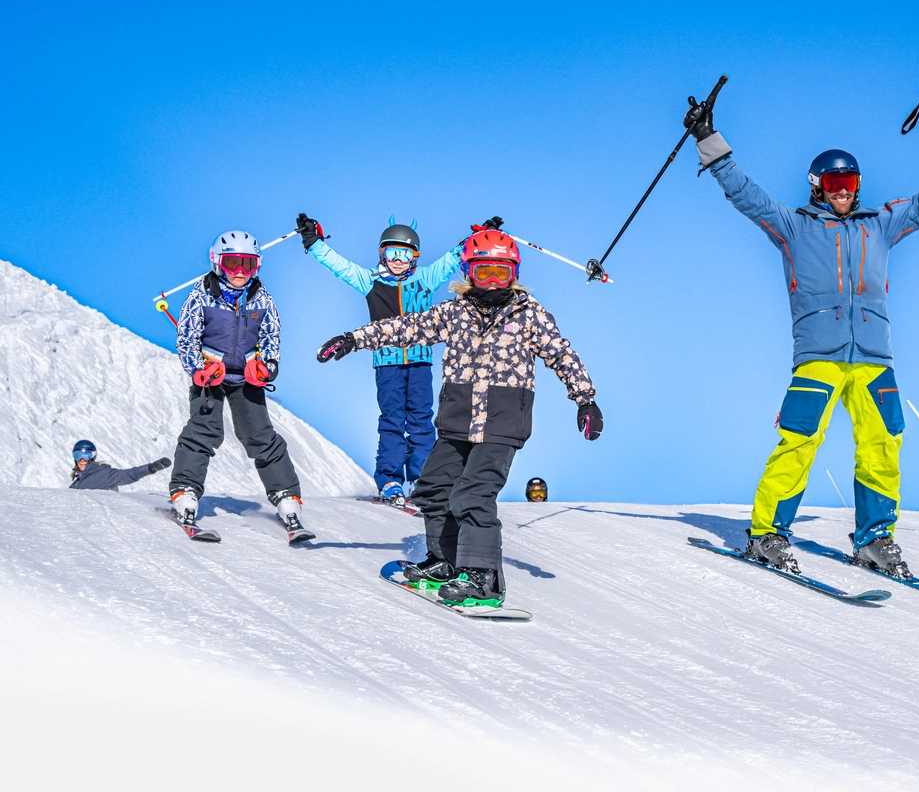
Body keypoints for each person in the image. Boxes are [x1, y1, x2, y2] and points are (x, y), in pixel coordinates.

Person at [684, 91, 919, 578]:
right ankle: (767, 532)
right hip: (818, 355)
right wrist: (708, 138)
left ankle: (875, 539)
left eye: (849, 181)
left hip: (876, 357)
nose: (843, 190)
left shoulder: (878, 225)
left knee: (883, 444)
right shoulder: (793, 227)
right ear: (817, 186)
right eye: (834, 181)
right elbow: (743, 192)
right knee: (799, 440)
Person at [317, 227, 602, 605]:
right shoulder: (454, 311)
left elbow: (562, 355)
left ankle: (483, 577)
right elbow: (407, 327)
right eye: (483, 272)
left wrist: (585, 400)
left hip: (502, 422)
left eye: (501, 272)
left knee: (473, 493)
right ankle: (446, 562)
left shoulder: (529, 314)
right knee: (433, 488)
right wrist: (354, 338)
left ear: (514, 273)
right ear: (468, 272)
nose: (492, 281)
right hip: (457, 419)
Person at [295, 214, 462, 507]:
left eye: (405, 253)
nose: (398, 260)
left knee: (422, 421)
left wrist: (480, 239)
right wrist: (314, 242)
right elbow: (339, 266)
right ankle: (390, 480)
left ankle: (422, 480)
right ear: (381, 254)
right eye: (391, 252)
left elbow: (451, 259)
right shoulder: (369, 280)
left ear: (415, 257)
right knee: (393, 420)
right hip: (387, 363)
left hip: (420, 362)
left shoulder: (426, 278)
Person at [168, 230, 311, 544]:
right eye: (233, 263)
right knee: (205, 429)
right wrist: (199, 369)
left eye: (248, 264)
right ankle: (185, 490)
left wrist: (266, 368)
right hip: (211, 376)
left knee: (258, 434)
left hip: (245, 377)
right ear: (218, 263)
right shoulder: (202, 295)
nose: (240, 272)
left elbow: (271, 341)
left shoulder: (262, 299)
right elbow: (186, 339)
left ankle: (286, 495)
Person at [69, 439, 170, 490]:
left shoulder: (104, 474)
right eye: (78, 455)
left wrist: (151, 467)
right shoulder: (75, 483)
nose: (82, 460)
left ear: (93, 457)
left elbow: (128, 475)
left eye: (86, 455)